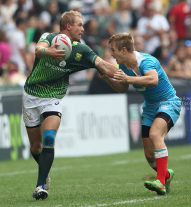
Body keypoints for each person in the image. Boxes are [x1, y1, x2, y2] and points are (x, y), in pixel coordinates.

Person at [22, 10, 119, 200]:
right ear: (68, 26)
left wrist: (125, 73)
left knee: (49, 137)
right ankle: (45, 171)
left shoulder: (82, 51)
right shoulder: (49, 37)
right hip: (31, 95)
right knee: (35, 147)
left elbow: (104, 65)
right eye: (80, 25)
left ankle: (40, 186)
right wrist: (47, 51)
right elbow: (38, 49)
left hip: (53, 98)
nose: (83, 29)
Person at [98, 33, 181, 195]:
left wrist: (128, 79)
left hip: (168, 101)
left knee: (155, 134)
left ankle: (161, 183)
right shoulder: (122, 66)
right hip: (150, 107)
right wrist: (109, 79)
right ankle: (165, 174)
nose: (111, 54)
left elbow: (153, 80)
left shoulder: (146, 61)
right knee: (149, 155)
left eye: (113, 50)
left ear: (123, 50)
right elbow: (123, 88)